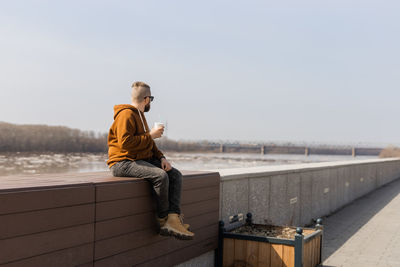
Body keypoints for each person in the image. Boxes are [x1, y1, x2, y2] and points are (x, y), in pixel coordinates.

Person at [107, 81, 194, 240]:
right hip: (122, 163)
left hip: (138, 159)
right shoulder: (126, 114)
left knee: (175, 175)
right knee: (160, 176)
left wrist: (161, 157)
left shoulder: (140, 116)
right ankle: (163, 221)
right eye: (151, 99)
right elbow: (125, 143)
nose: (151, 103)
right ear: (146, 99)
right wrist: (151, 135)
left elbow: (148, 143)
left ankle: (174, 219)